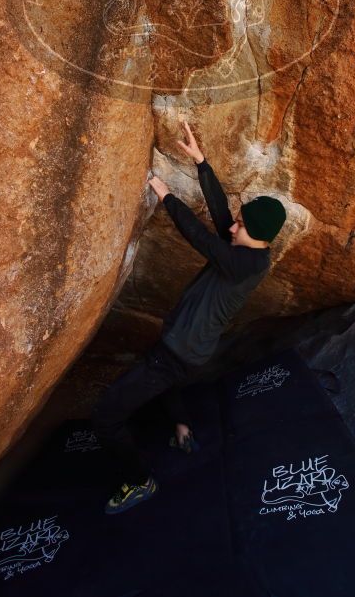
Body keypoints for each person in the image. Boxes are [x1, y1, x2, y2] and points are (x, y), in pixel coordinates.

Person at [91, 120, 287, 515]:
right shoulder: (245, 251)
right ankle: (181, 428)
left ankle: (138, 480)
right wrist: (202, 163)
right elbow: (219, 216)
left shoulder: (243, 264)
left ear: (258, 237)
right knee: (166, 379)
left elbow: (199, 236)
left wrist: (166, 197)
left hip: (177, 353)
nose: (233, 226)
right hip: (189, 350)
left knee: (105, 415)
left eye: (241, 225)